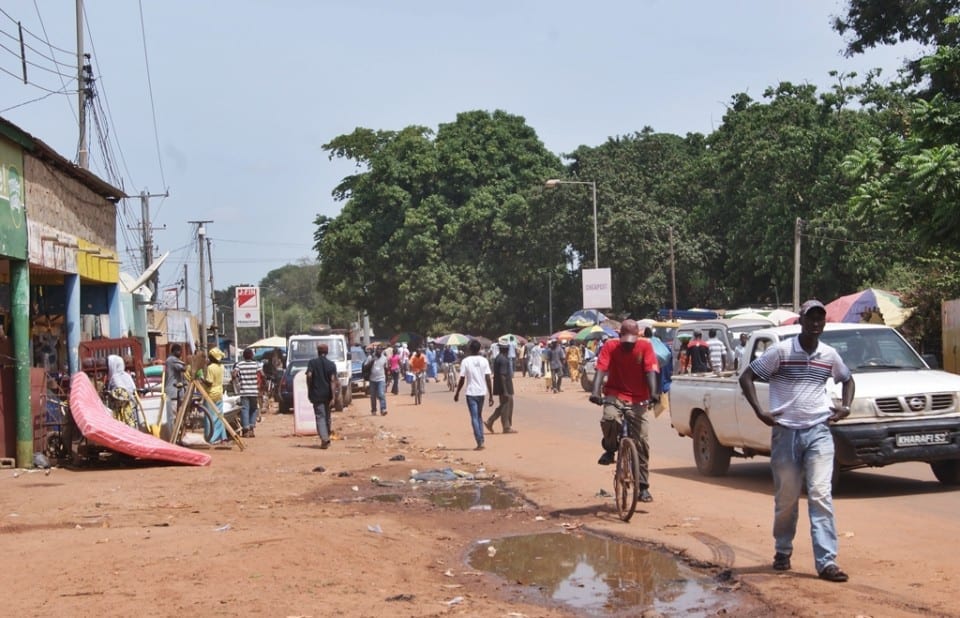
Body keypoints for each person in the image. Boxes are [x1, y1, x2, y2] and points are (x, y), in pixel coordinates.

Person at [739, 299, 855, 583]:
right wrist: (760, 411)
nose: (816, 324)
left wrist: (846, 406)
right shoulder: (780, 351)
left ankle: (827, 562)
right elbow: (747, 376)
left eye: (820, 319)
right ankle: (782, 550)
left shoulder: (829, 355)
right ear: (800, 321)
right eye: (811, 318)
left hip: (818, 431)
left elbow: (847, 380)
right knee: (787, 499)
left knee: (820, 494)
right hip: (786, 432)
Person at [589, 319, 660, 503]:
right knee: (610, 418)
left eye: (631, 341)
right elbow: (601, 370)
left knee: (642, 441)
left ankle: (643, 486)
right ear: (619, 336)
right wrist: (595, 391)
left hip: (638, 398)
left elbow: (650, 371)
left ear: (638, 337)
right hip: (615, 393)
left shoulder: (645, 347)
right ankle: (610, 448)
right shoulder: (610, 346)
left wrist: (654, 394)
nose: (628, 345)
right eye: (625, 341)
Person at [453, 338, 493, 450]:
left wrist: (457, 393)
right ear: (479, 349)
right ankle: (481, 439)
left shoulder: (466, 361)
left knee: (474, 417)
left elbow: (462, 378)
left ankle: (479, 440)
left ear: (470, 349)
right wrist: (490, 394)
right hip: (481, 392)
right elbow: (488, 378)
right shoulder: (484, 360)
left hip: (471, 393)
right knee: (479, 416)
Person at [305, 343, 340, 449]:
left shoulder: (312, 363)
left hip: (316, 394)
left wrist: (309, 387)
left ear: (318, 352)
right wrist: (333, 397)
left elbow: (309, 376)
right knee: (327, 417)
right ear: (327, 352)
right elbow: (333, 380)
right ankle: (326, 436)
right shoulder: (331, 364)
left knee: (320, 417)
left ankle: (325, 439)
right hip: (328, 395)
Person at [486, 342, 516, 434]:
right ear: (506, 349)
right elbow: (502, 375)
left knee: (505, 406)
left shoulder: (498, 358)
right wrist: (505, 391)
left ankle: (502, 425)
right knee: (506, 406)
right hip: (505, 387)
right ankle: (496, 423)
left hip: (501, 386)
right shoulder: (503, 360)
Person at [201, 347, 228, 444]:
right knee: (219, 416)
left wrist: (201, 379)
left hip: (210, 394)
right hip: (219, 393)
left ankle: (211, 438)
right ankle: (222, 437)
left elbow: (209, 382)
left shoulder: (210, 368)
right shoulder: (221, 366)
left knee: (210, 417)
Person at [106, 354, 141, 429]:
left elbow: (119, 392)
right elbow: (133, 389)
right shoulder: (127, 376)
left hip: (121, 412)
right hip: (131, 408)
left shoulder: (114, 378)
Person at [234, 348, 260, 437]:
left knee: (245, 409)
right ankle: (251, 429)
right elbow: (262, 375)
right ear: (252, 355)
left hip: (244, 391)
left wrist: (237, 381)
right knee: (253, 409)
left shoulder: (239, 364)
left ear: (243, 356)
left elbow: (234, 374)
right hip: (254, 391)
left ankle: (245, 430)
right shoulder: (256, 364)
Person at [163, 343, 187, 440]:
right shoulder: (171, 360)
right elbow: (183, 367)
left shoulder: (174, 360)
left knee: (178, 415)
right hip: (172, 392)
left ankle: (178, 436)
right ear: (176, 352)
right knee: (172, 416)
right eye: (180, 351)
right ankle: (173, 437)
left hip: (178, 392)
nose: (180, 353)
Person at [366, 346, 388, 415]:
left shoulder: (384, 358)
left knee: (381, 394)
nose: (379, 350)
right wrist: (372, 361)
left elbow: (386, 369)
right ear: (375, 350)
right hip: (372, 379)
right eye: (377, 349)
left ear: (382, 351)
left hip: (381, 379)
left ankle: (383, 409)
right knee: (373, 396)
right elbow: (366, 366)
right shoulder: (370, 357)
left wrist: (388, 379)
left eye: (380, 349)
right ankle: (373, 410)